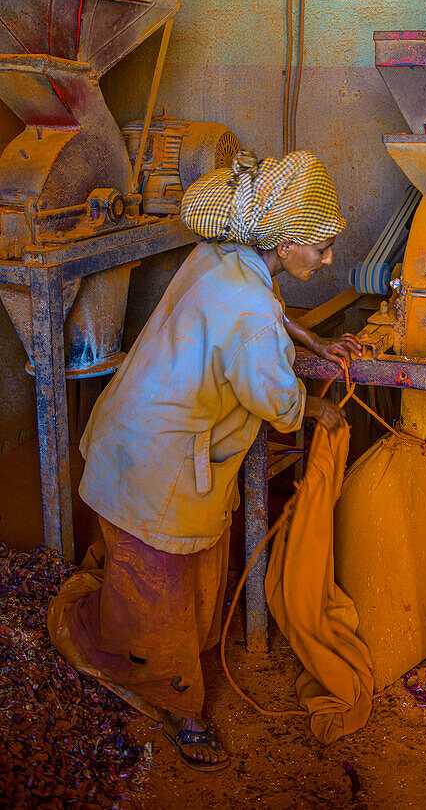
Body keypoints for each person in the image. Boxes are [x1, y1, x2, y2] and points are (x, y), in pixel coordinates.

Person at [48, 149, 361, 771]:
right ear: (284, 241)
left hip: (134, 437)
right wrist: (319, 411)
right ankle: (179, 706)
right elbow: (275, 398)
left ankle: (130, 633)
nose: (326, 259)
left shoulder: (224, 257)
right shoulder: (247, 311)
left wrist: (312, 339)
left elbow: (261, 310)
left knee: (173, 577)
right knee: (161, 598)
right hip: (156, 463)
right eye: (320, 246)